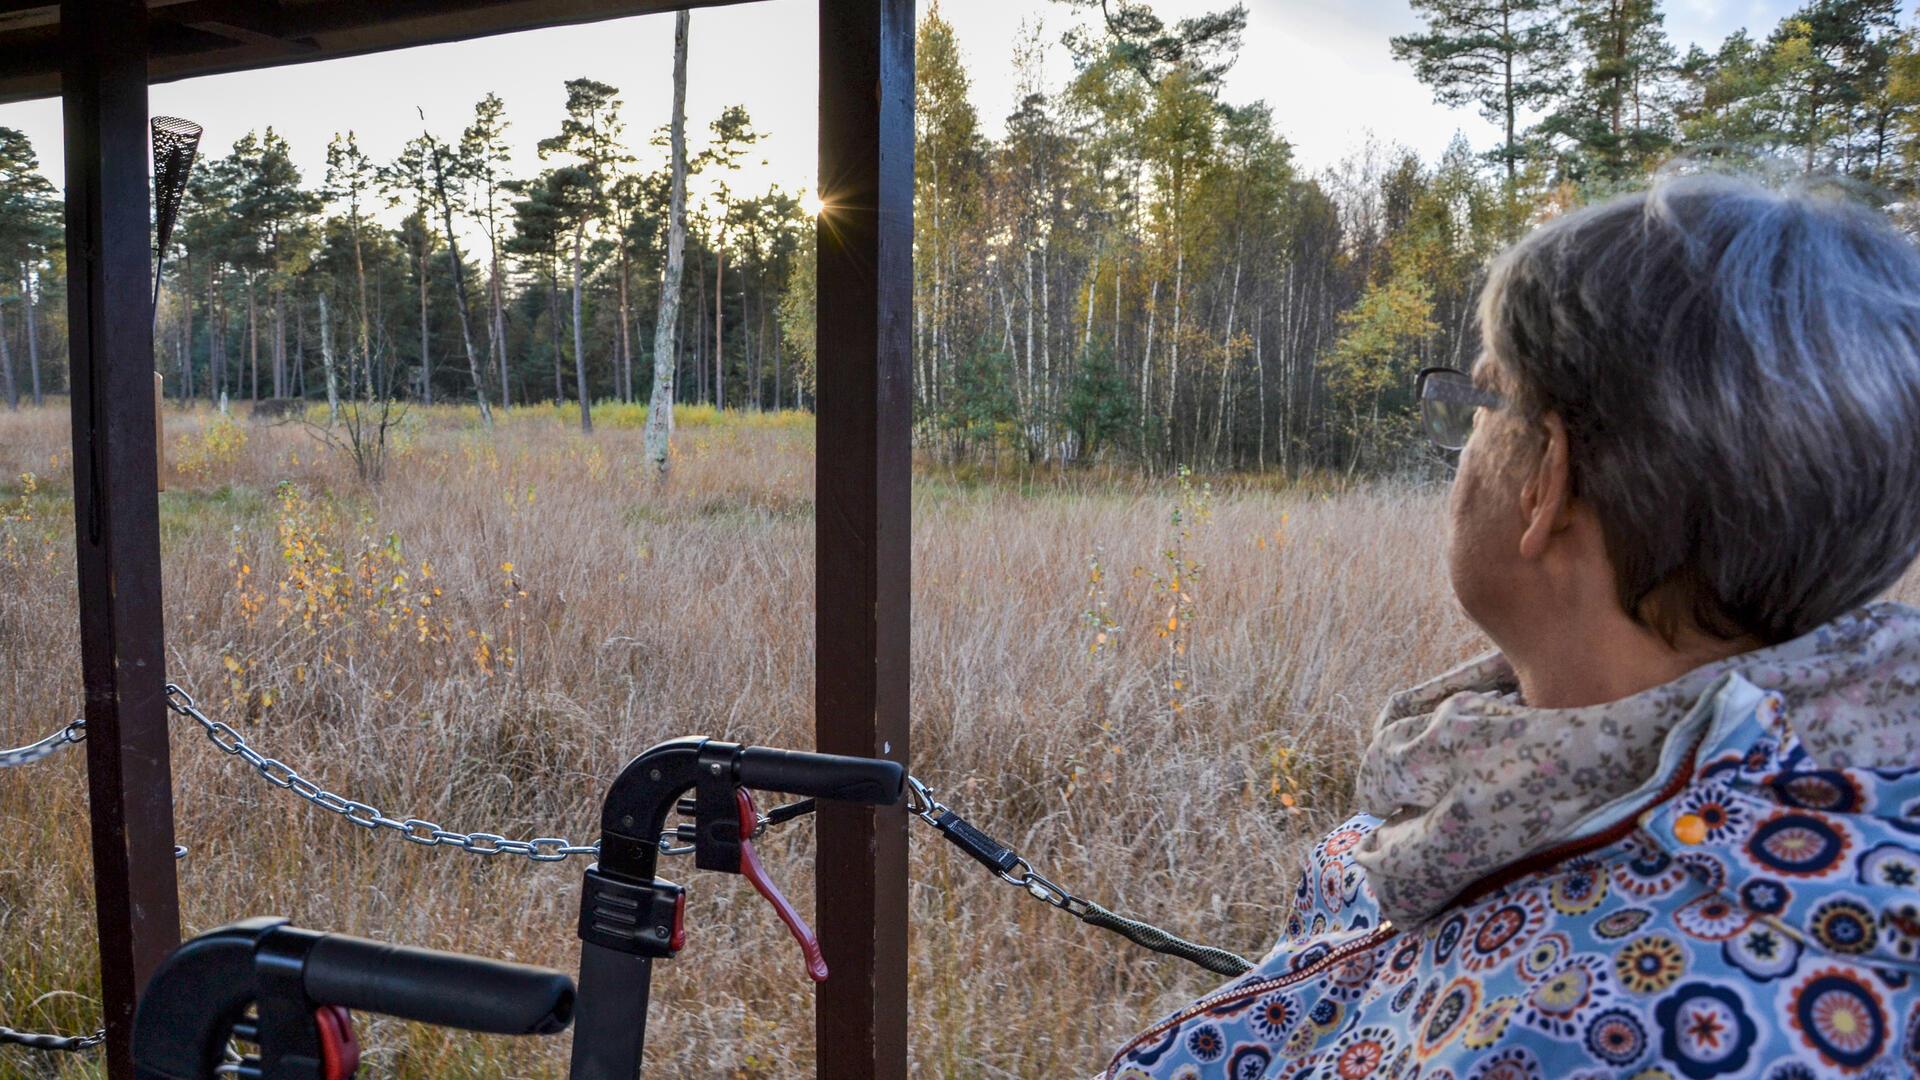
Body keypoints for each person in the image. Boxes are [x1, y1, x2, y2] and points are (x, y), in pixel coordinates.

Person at [1100, 174, 1920, 1079]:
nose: (1463, 447)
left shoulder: (1590, 1027)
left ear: (1549, 481)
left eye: (1482, 403)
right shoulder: (1822, 795)